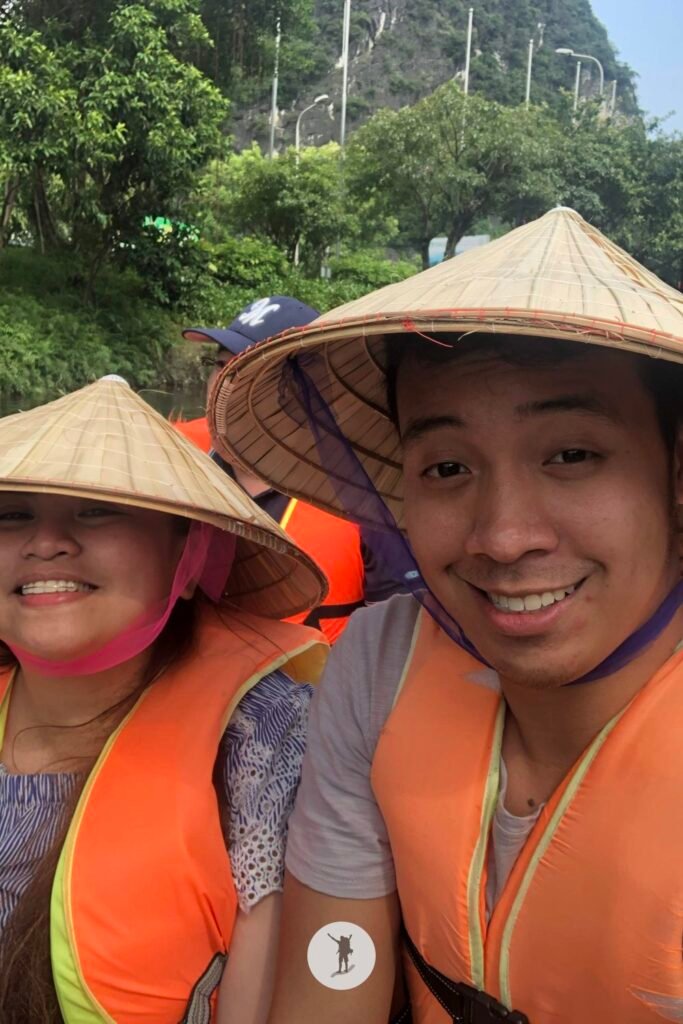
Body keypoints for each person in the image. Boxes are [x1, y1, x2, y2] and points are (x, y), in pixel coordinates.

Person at [210, 208, 683, 1024]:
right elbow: (335, 960)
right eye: (446, 467)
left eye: (571, 454)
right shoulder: (380, 662)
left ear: (673, 470)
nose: (502, 536)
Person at [0, 374, 328, 1024]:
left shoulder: (266, 735)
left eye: (97, 510)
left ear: (189, 554)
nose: (47, 542)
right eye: (12, 515)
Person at [178, 295, 404, 643]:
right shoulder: (171, 465)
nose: (221, 387)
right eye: (220, 366)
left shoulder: (370, 496)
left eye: (244, 371)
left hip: (320, 675)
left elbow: (399, 640)